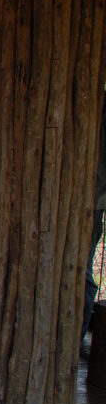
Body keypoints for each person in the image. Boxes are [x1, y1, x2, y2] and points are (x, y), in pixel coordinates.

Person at [82, 97, 106, 358]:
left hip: (89, 202)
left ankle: (75, 334)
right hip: (92, 201)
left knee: (81, 272)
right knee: (82, 271)